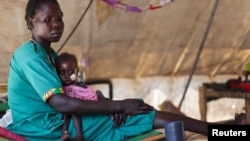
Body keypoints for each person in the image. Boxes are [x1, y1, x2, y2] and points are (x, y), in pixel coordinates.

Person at [7, 0, 215, 140]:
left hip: (55, 120)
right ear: (30, 22)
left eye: (59, 18)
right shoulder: (30, 56)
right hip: (43, 128)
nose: (57, 25)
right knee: (135, 114)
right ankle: (217, 131)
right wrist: (116, 106)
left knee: (135, 109)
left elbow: (71, 93)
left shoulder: (47, 54)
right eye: (48, 20)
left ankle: (216, 130)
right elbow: (61, 102)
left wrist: (109, 104)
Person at [55, 52, 114, 140]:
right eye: (62, 73)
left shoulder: (78, 81)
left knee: (99, 93)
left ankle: (111, 111)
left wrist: (81, 83)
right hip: (77, 105)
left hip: (89, 100)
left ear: (76, 71)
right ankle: (74, 134)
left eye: (71, 72)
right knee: (70, 112)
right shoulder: (61, 88)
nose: (67, 76)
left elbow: (83, 83)